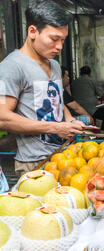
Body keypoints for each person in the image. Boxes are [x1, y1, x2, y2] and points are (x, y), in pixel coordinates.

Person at [0, 0, 86, 178]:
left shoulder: (54, 65)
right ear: (32, 31)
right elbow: (3, 118)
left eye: (63, 40)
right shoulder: (11, 67)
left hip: (62, 155)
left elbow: (58, 102)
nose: (60, 47)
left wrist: (70, 121)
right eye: (54, 39)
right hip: (34, 163)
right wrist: (55, 128)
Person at [71, 66, 104, 132]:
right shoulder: (91, 80)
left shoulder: (74, 82)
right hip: (90, 110)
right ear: (89, 73)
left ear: (80, 73)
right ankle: (103, 133)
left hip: (76, 109)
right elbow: (100, 94)